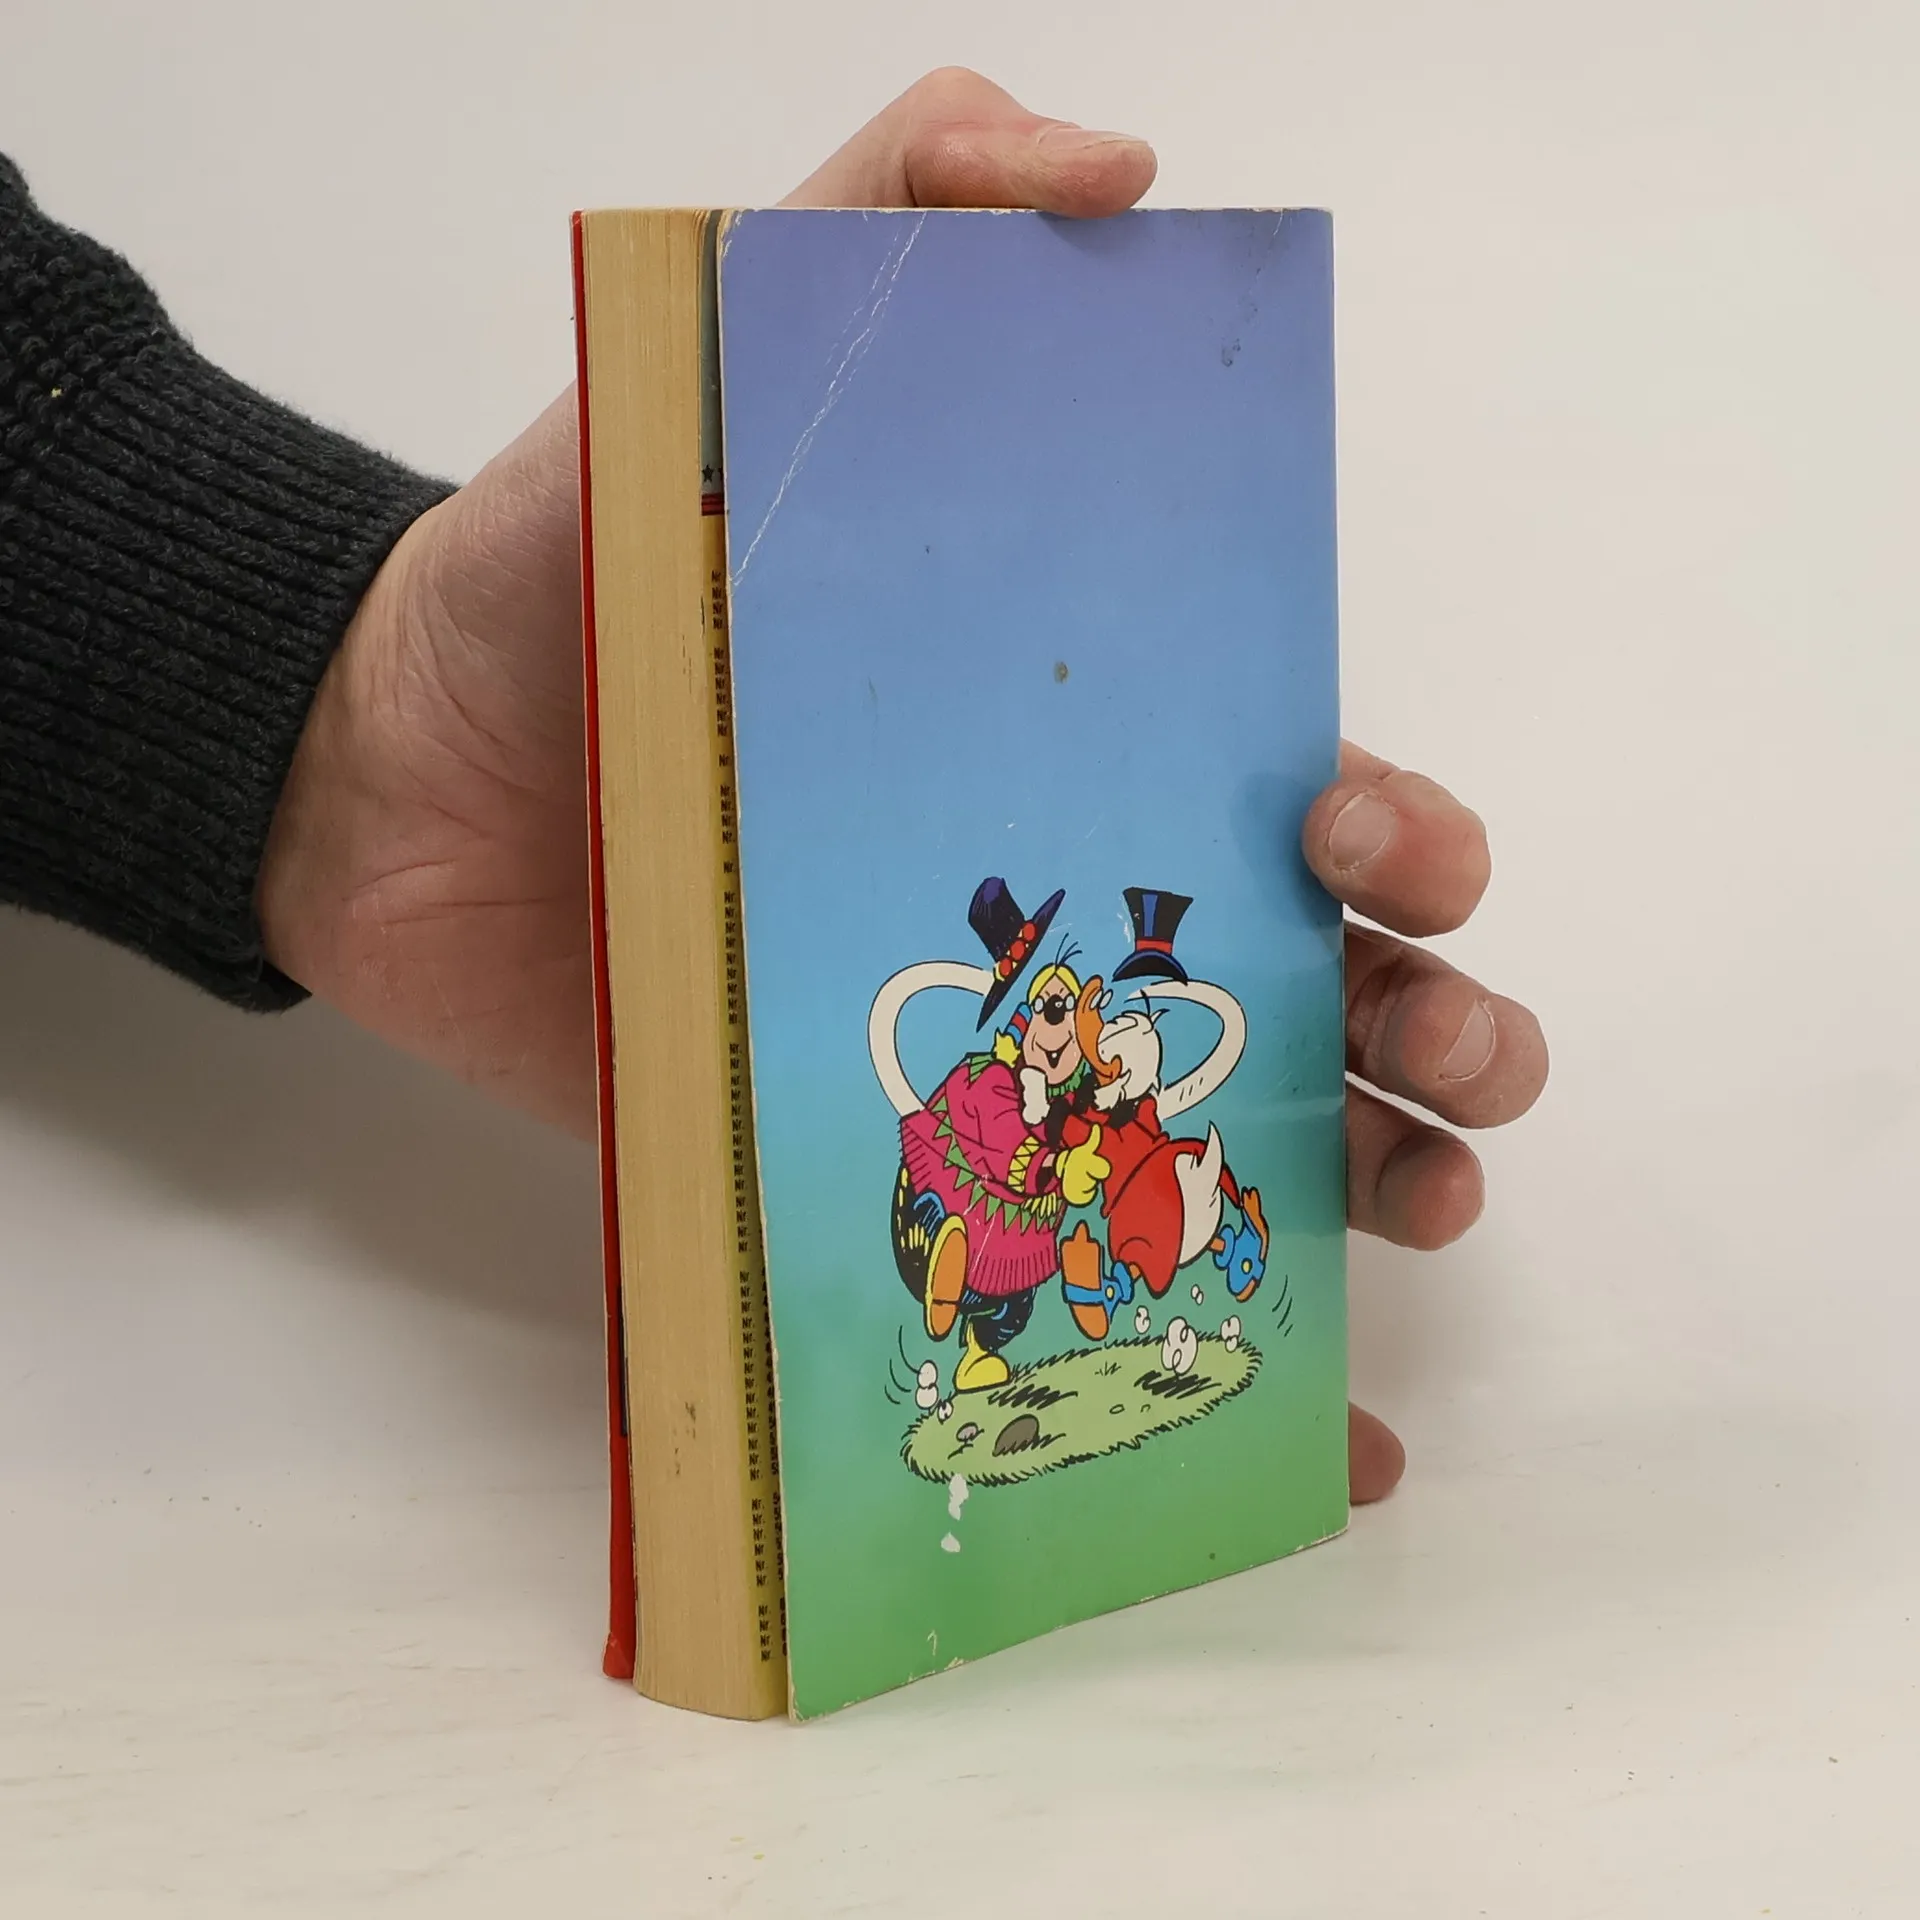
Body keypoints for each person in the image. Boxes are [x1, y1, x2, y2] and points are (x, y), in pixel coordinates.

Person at [0, 68, 1547, 1505]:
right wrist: (363, 725)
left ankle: (1105, 1323)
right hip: (974, 1224)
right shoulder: (983, 1086)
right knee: (983, 1296)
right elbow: (963, 1122)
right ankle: (992, 1353)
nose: (1072, 1037)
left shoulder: (1066, 1070)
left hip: (1042, 1212)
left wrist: (365, 717)